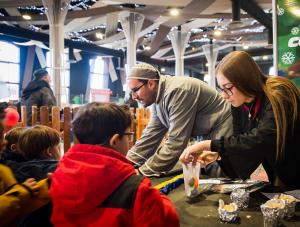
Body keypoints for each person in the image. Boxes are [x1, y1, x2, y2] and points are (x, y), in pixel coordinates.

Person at [180, 51, 300, 188]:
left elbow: (262, 139)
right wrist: (219, 155)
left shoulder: (279, 93)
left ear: (245, 80)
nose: (224, 96)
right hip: (280, 172)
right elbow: (244, 143)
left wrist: (208, 144)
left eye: (228, 88)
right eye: (222, 89)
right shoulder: (239, 104)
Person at [50, 102, 179, 227]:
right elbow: (167, 221)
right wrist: (160, 198)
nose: (129, 141)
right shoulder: (138, 190)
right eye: (128, 135)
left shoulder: (59, 177)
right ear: (115, 140)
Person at [126, 63, 232, 177]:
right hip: (205, 129)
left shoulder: (178, 91)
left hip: (221, 123)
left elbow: (176, 142)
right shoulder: (158, 99)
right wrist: (126, 163)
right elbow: (151, 135)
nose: (133, 97)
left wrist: (142, 172)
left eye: (135, 90)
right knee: (203, 167)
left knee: (218, 170)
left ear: (151, 83)